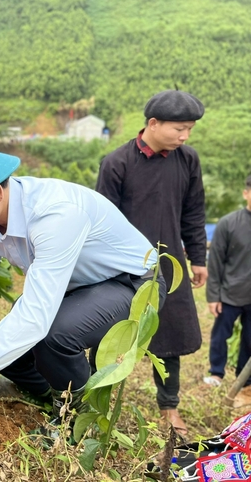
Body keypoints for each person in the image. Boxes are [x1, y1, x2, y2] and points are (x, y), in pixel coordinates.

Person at [0, 137, 165, 423]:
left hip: (132, 283)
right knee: (11, 354)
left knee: (51, 336)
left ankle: (77, 420)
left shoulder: (54, 215)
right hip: (76, 285)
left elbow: (35, 320)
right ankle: (53, 394)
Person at [96, 90, 208, 437]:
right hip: (123, 267)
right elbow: (102, 221)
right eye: (179, 129)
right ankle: (95, 399)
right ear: (153, 124)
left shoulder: (187, 161)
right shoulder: (117, 163)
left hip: (169, 265)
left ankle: (169, 407)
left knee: (170, 335)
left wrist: (198, 258)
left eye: (189, 129)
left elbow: (193, 213)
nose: (184, 136)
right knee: (108, 335)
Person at [204, 173, 251, 387]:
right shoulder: (229, 223)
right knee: (221, 335)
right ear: (246, 193)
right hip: (230, 293)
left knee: (249, 340)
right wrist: (214, 296)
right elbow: (215, 262)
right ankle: (216, 373)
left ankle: (245, 379)